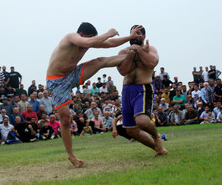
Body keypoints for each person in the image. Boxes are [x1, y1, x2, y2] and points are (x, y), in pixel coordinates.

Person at [46, 22, 143, 167]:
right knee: (65, 119)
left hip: (72, 74)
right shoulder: (71, 37)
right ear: (83, 35)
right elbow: (93, 41)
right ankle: (71, 156)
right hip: (56, 82)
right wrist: (108, 33)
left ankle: (134, 56)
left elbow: (109, 43)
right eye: (90, 38)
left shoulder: (88, 41)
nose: (91, 43)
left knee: (100, 61)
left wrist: (129, 37)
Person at [117, 25, 168, 157]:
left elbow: (152, 63)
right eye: (133, 33)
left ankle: (156, 135)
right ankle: (159, 149)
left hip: (142, 88)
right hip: (126, 91)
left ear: (144, 36)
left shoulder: (150, 49)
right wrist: (132, 53)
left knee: (142, 121)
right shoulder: (123, 51)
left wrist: (139, 51)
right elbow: (123, 71)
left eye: (138, 33)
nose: (135, 35)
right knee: (131, 131)